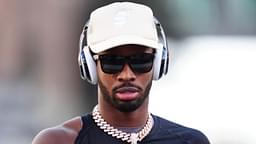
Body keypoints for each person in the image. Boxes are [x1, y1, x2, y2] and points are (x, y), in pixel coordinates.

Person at [32, 2, 210, 144]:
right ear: (90, 65)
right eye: (112, 62)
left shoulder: (190, 141)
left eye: (141, 61)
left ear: (158, 63)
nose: (126, 75)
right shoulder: (59, 141)